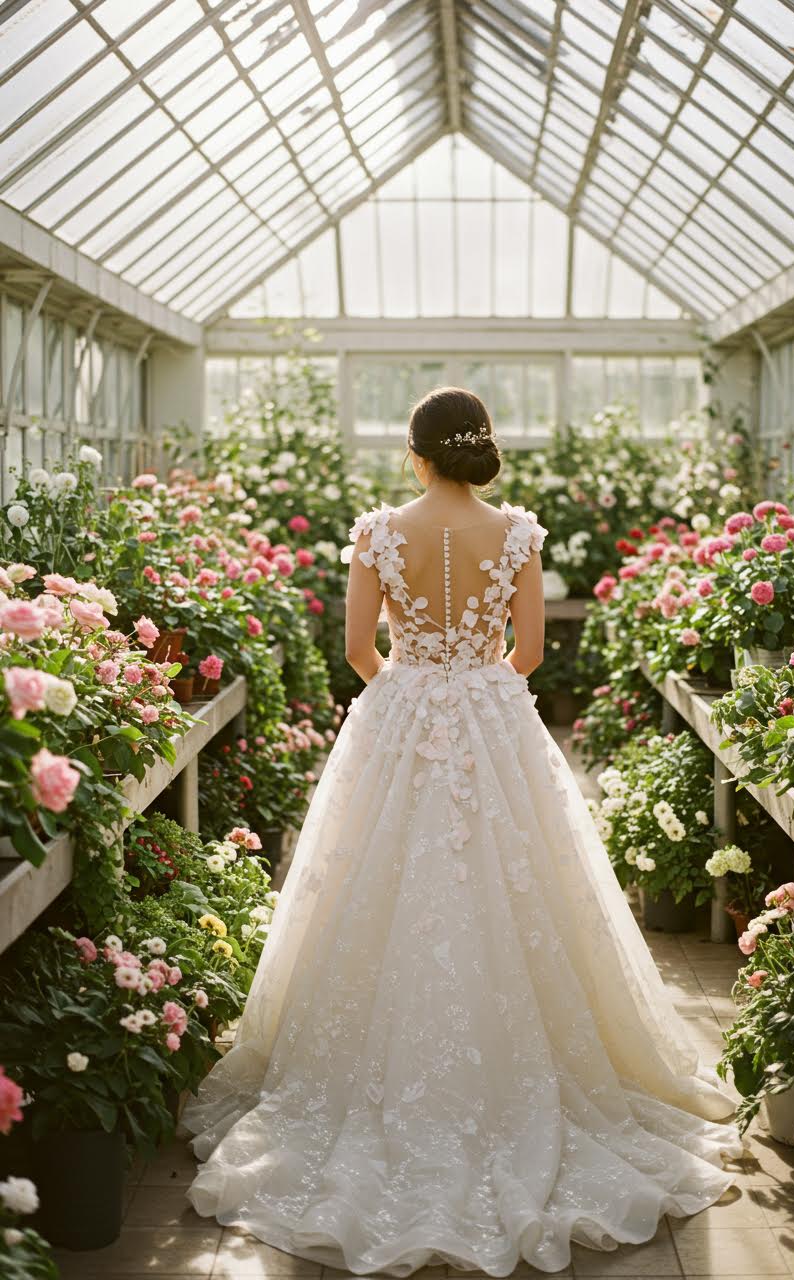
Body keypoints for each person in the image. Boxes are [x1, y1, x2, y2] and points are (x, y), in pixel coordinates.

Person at [182, 387, 743, 1276]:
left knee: (371, 882)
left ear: (417, 452)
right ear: (476, 448)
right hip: (492, 717)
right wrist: (472, 684)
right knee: (523, 880)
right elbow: (530, 652)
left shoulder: (378, 533)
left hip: (399, 718)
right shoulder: (516, 531)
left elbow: (359, 652)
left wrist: (413, 683)